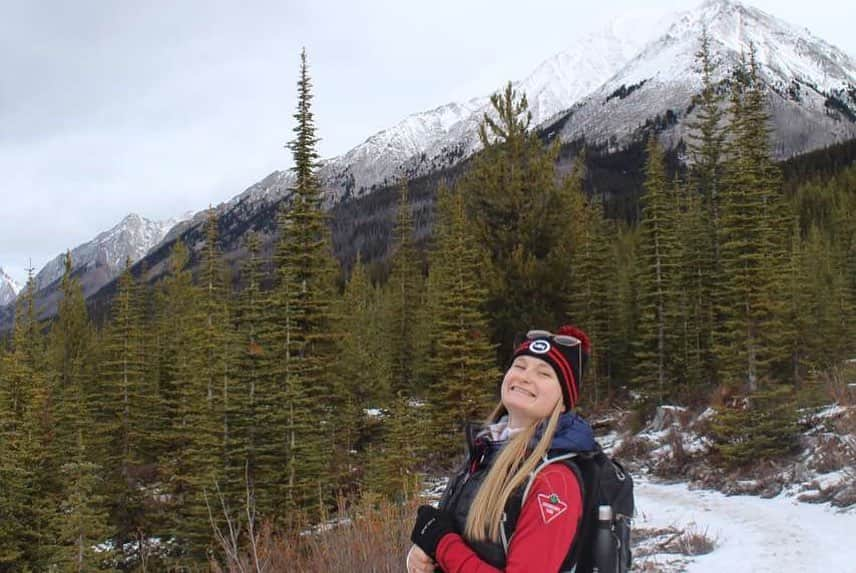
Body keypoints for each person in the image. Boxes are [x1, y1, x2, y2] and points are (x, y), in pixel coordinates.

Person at [407, 326, 597, 573]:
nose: (525, 377)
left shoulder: (555, 481)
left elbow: (450, 544)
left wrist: (442, 544)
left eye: (544, 373)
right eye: (519, 366)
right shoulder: (486, 449)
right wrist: (424, 554)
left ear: (563, 403)